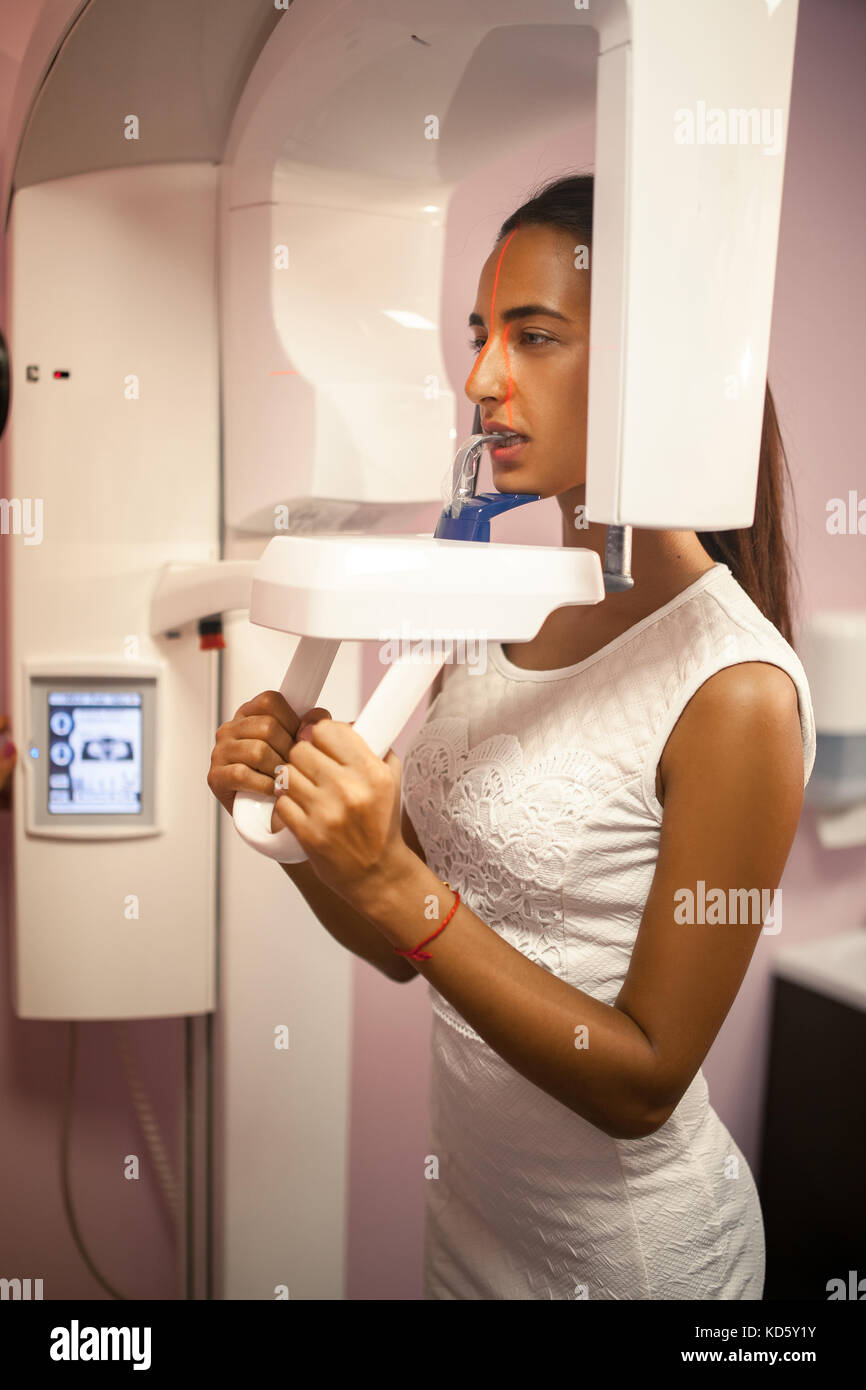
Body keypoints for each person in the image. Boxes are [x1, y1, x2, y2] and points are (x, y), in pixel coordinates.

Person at [207, 173, 815, 1300]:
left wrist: (394, 881)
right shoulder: (495, 604)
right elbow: (407, 947)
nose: (481, 379)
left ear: (653, 370)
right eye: (480, 335)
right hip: (470, 1232)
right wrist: (295, 824)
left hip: (636, 1265)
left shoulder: (732, 691)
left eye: (533, 336)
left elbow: (639, 1081)